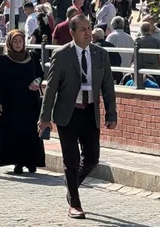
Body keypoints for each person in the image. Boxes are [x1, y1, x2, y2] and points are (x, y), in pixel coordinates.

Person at [39, 15, 118, 220]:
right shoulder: (62, 55)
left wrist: (111, 113)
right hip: (68, 113)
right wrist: (44, 117)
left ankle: (71, 183)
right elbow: (51, 89)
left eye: (89, 28)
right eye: (82, 29)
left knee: (92, 157)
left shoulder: (100, 54)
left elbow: (108, 86)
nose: (87, 33)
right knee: (71, 159)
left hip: (90, 111)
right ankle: (75, 203)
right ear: (72, 33)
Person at [0, 30, 46, 174]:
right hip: (11, 103)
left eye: (20, 41)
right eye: (15, 41)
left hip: (30, 101)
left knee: (30, 132)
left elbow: (40, 74)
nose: (18, 44)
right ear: (10, 43)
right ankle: (18, 162)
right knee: (14, 132)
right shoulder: (5, 60)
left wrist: (37, 82)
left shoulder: (32, 57)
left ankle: (31, 162)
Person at [135, 22, 160, 89]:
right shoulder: (157, 41)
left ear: (141, 30)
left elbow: (134, 57)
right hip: (154, 69)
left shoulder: (137, 41)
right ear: (150, 29)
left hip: (141, 70)